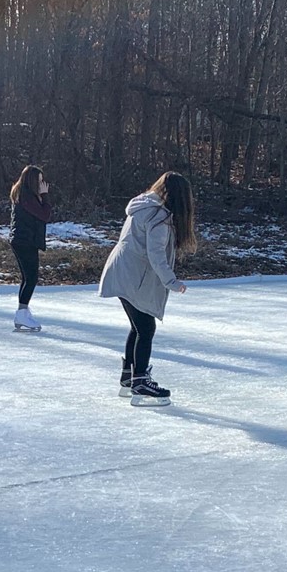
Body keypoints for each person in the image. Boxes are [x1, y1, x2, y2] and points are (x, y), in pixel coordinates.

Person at [98, 171, 197, 406]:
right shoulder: (159, 217)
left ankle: (128, 377)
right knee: (146, 327)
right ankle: (140, 380)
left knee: (138, 326)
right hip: (132, 275)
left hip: (122, 272)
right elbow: (156, 255)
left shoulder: (143, 206)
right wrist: (171, 282)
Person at [8, 165, 53, 332]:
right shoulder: (27, 197)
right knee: (32, 278)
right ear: (33, 181)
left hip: (22, 240)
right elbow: (44, 215)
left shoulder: (24, 194)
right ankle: (22, 311)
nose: (43, 184)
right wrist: (45, 196)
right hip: (24, 241)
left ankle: (23, 311)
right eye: (40, 181)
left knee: (27, 278)